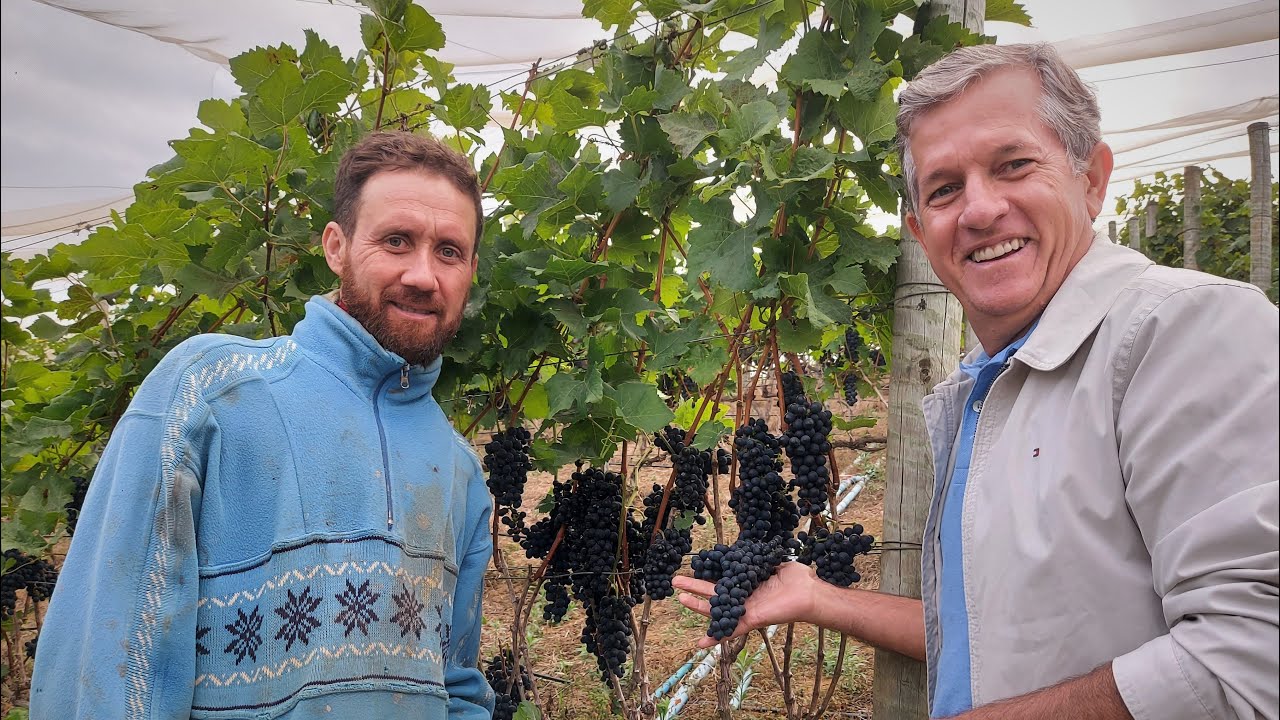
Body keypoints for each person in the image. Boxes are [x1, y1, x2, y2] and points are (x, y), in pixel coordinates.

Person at [675, 42, 1279, 719]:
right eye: (944, 189)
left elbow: (1254, 663)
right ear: (920, 231)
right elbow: (991, 636)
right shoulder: (985, 392)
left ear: (1092, 178)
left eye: (1013, 165)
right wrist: (819, 598)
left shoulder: (1186, 332)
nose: (980, 209)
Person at [32, 132, 495, 719]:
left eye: (449, 251)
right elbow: (110, 650)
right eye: (396, 241)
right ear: (336, 246)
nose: (424, 275)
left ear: (470, 271)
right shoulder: (212, 393)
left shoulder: (458, 469)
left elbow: (455, 687)